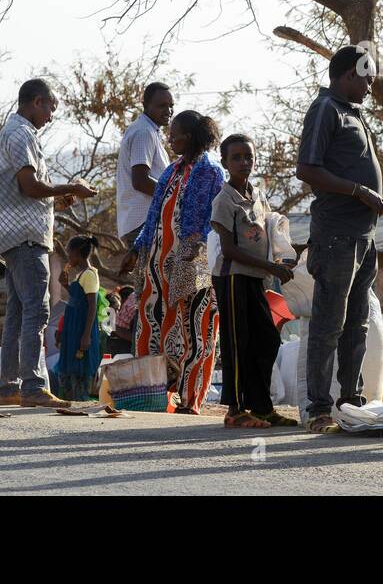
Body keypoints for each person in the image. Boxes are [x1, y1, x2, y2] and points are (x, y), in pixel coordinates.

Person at [295, 45, 383, 434]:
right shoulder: (326, 110)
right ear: (347, 74)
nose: (369, 85)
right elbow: (307, 169)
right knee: (329, 322)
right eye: (365, 77)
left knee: (358, 323)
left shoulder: (354, 114)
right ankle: (319, 407)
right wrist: (358, 191)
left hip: (364, 236)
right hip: (336, 235)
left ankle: (351, 402)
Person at [0, 78, 97, 409]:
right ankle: (33, 386)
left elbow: (31, 191)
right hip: (26, 236)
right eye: (50, 107)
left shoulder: (10, 131)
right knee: (37, 310)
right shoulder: (21, 132)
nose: (50, 115)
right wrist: (73, 187)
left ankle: (9, 386)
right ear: (36, 102)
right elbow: (30, 185)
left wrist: (55, 200)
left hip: (13, 233)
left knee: (18, 314)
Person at [121, 110, 225, 413]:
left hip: (192, 262)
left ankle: (191, 398)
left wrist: (196, 249)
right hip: (157, 265)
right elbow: (154, 215)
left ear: (189, 137)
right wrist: (137, 248)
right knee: (152, 327)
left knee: (195, 328)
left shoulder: (211, 171)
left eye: (175, 134)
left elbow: (213, 220)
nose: (170, 138)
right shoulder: (171, 171)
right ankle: (151, 394)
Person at [211, 133, 297, 428]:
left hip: (256, 277)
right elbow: (230, 249)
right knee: (238, 342)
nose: (243, 162)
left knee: (268, 339)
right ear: (225, 162)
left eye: (248, 156)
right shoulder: (224, 200)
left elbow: (267, 231)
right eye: (236, 158)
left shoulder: (257, 194)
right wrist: (271, 268)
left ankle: (261, 405)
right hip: (233, 277)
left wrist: (286, 254)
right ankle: (235, 409)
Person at [116, 82, 175, 256]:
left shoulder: (149, 130)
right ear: (146, 106)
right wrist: (176, 196)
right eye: (162, 105)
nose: (168, 110)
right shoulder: (144, 132)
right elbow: (141, 181)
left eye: (171, 105)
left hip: (141, 222)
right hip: (143, 223)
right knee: (149, 280)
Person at [54, 235, 104, 401]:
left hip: (81, 328)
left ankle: (80, 401)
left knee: (79, 369)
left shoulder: (90, 275)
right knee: (69, 370)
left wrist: (86, 335)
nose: (69, 258)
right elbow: (77, 300)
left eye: (70, 254)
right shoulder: (81, 275)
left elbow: (91, 306)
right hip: (73, 327)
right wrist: (66, 285)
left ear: (77, 253)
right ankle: (73, 400)